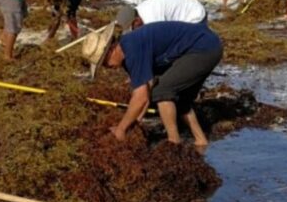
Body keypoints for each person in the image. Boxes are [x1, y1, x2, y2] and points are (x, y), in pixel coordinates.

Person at [82, 21, 223, 147]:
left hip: (204, 48)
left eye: (104, 62)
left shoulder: (132, 49)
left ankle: (173, 144)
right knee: (180, 99)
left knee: (162, 91)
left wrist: (121, 129)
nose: (107, 67)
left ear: (111, 50)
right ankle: (201, 141)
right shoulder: (128, 48)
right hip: (205, 45)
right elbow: (147, 90)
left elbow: (141, 97)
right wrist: (133, 124)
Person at [114, 0, 207, 31]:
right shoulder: (140, 10)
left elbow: (164, 39)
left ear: (137, 21)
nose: (134, 32)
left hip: (194, 16)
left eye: (133, 29)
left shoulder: (153, 19)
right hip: (185, 11)